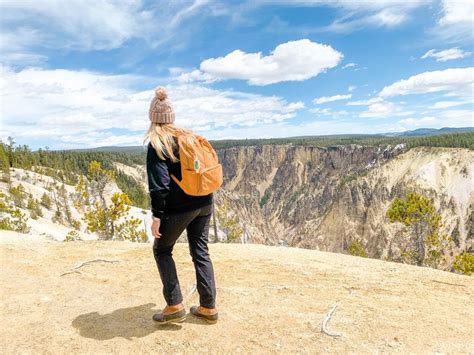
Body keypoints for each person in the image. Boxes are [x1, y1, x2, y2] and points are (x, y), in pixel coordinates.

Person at [145, 87, 218, 325]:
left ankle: (175, 304)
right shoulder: (188, 137)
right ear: (171, 117)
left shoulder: (157, 143)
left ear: (153, 119)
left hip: (179, 208)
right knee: (200, 250)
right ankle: (208, 307)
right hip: (205, 200)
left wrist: (157, 216)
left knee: (162, 250)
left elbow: (159, 186)